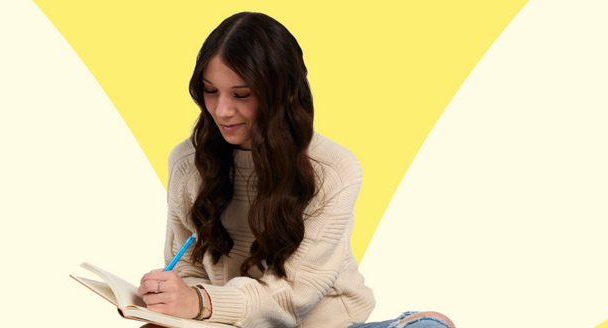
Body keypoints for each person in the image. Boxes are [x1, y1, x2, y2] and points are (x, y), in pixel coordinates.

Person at [134, 12, 456, 328]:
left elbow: (292, 300)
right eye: (210, 90)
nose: (221, 110)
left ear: (281, 95)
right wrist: (174, 298)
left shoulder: (334, 170)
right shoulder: (187, 162)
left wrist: (202, 302)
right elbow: (188, 271)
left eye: (241, 95)